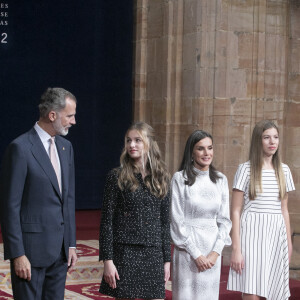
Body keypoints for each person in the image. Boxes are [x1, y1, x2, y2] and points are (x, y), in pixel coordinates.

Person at [0, 87, 78, 300]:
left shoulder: (66, 148)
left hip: (60, 254)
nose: (73, 121)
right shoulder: (20, 148)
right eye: (70, 116)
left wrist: (70, 244)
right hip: (30, 254)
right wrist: (17, 254)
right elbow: (10, 207)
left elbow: (68, 200)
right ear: (52, 115)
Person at [99, 121, 171, 300]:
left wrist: (166, 260)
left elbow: (164, 222)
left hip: (153, 254)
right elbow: (106, 222)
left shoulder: (162, 178)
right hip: (125, 253)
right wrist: (108, 260)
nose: (132, 145)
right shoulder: (116, 176)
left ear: (149, 143)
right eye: (128, 140)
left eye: (138, 140)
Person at [227, 120, 295, 300]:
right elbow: (235, 211)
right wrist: (236, 248)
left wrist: (288, 242)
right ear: (258, 140)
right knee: (251, 290)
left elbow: (284, 210)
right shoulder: (245, 169)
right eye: (267, 137)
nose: (272, 142)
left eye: (275, 137)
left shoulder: (284, 170)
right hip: (252, 235)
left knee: (276, 291)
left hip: (276, 234)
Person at [170, 130, 232, 300]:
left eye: (210, 148)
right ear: (191, 152)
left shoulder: (220, 179)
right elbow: (176, 221)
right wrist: (196, 254)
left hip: (212, 251)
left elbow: (225, 221)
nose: (207, 153)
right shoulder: (179, 178)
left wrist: (215, 253)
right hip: (187, 252)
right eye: (200, 149)